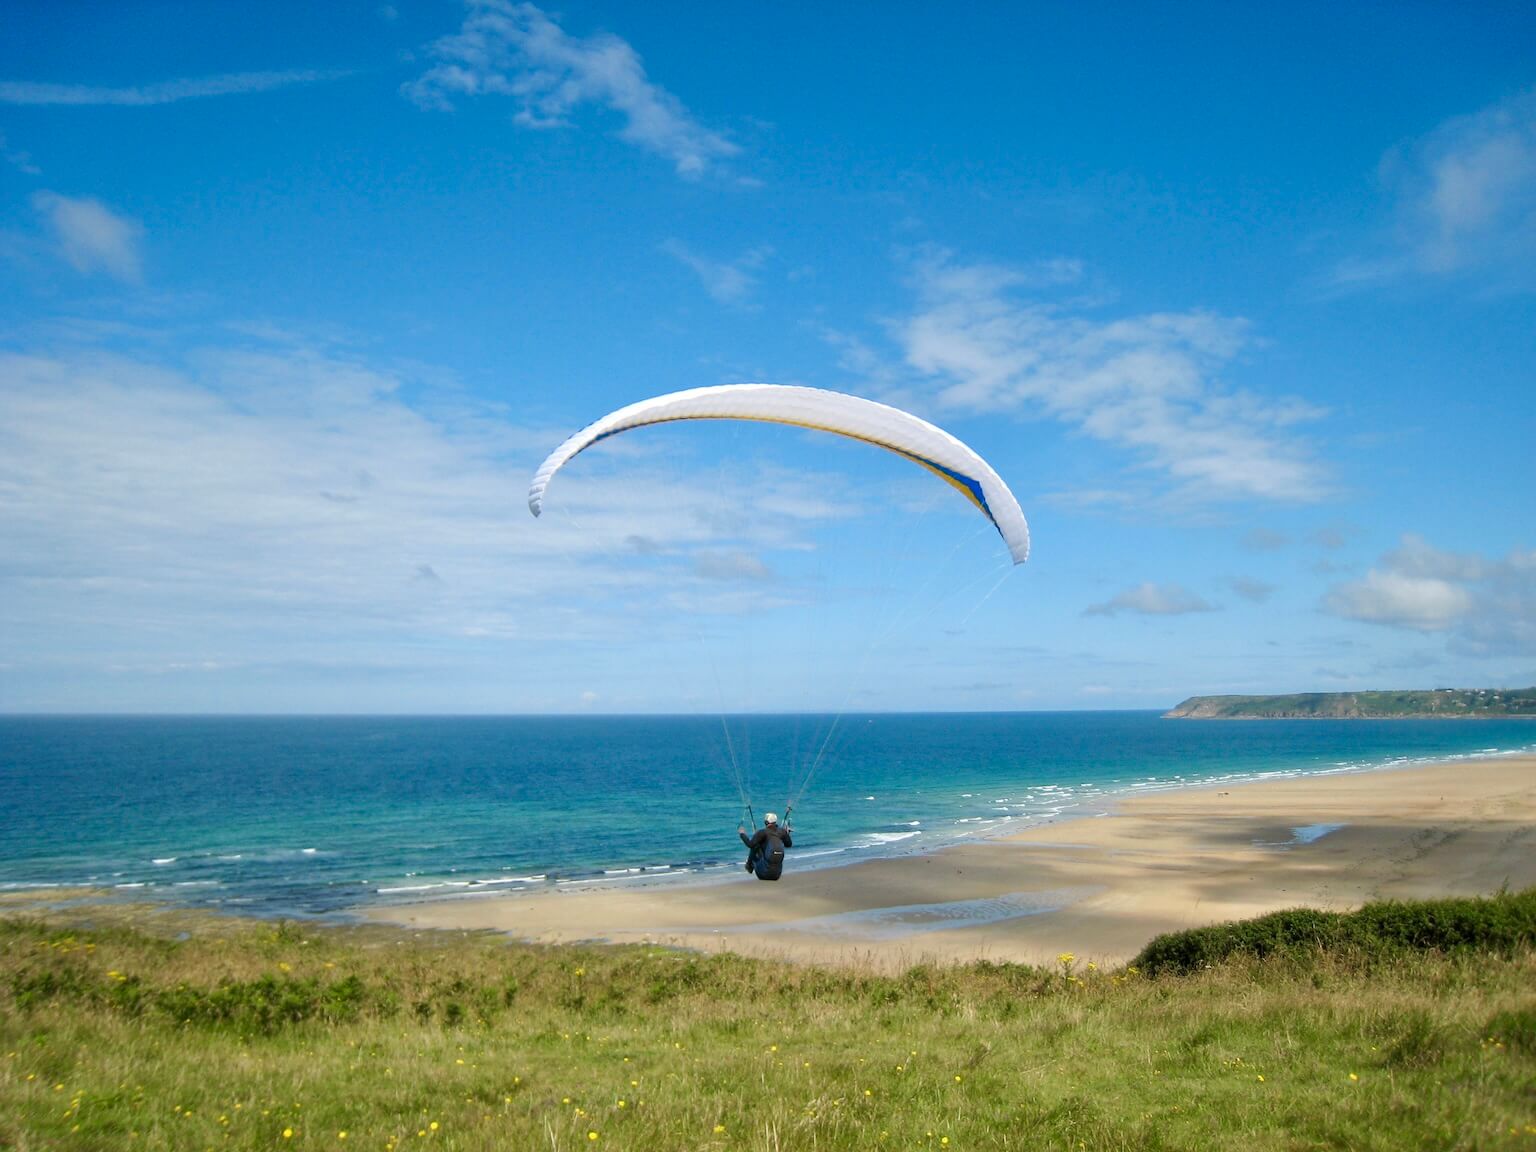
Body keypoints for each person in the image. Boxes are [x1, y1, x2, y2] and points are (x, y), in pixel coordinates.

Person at [738, 812, 793, 881]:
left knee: (755, 846)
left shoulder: (762, 832)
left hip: (763, 874)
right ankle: (752, 866)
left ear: (766, 822)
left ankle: (749, 866)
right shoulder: (782, 832)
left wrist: (742, 834)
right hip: (777, 875)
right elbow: (789, 844)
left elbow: (750, 844)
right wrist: (787, 834)